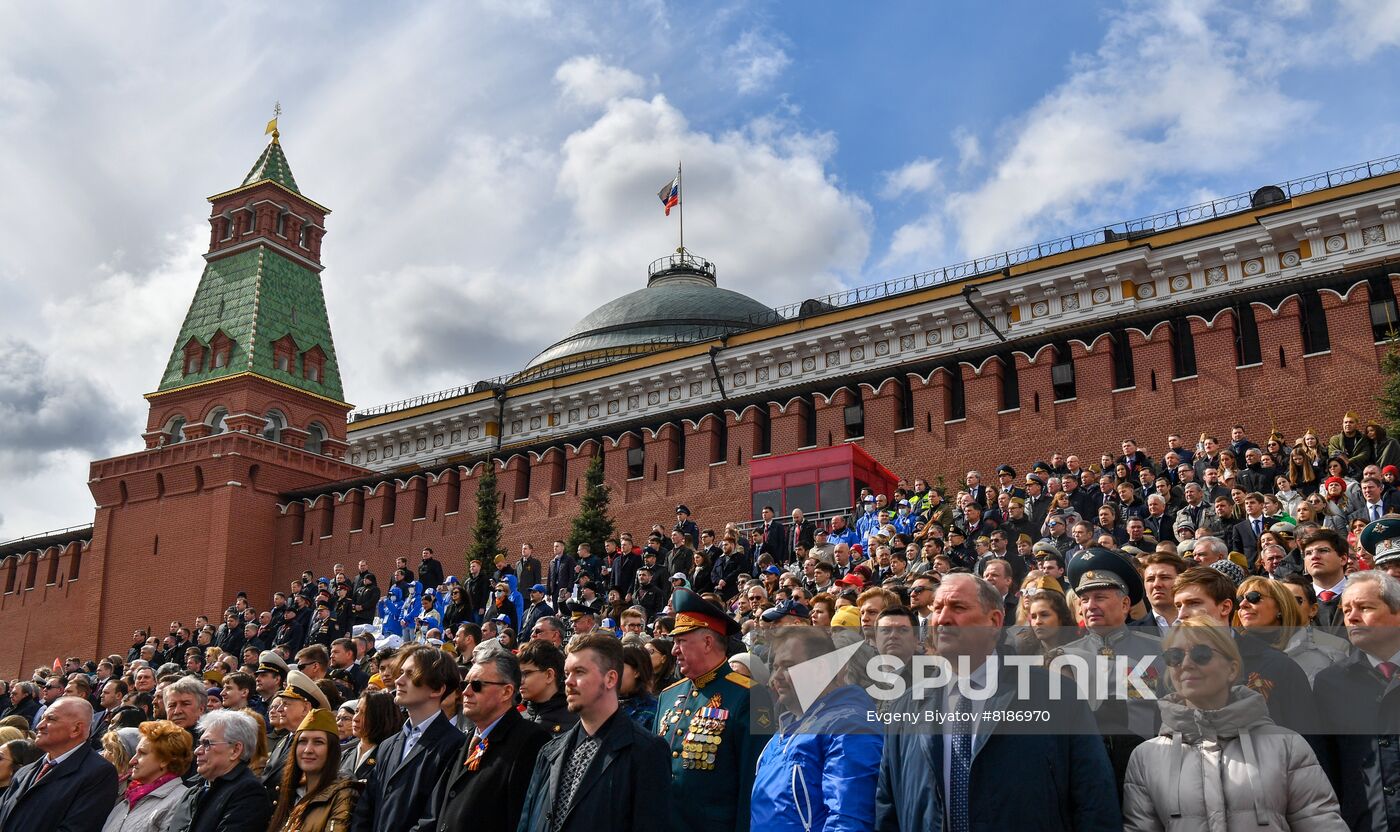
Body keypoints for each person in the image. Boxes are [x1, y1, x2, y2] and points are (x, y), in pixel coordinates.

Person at [875, 573, 1119, 831]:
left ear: (994, 621)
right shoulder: (905, 706)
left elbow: (1095, 799)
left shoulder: (1056, 694)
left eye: (958, 607)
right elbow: (888, 805)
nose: (943, 618)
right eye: (937, 608)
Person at [1123, 617, 1345, 831]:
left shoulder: (1286, 746)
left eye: (1201, 654)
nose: (1186, 664)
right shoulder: (1146, 757)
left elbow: (1321, 823)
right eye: (1175, 656)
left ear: (1232, 669)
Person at [517, 633, 672, 832]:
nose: (568, 682)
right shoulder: (550, 751)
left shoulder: (646, 751)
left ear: (610, 678)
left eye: (579, 672)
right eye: (567, 674)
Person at [654, 588, 772, 832]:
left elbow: (753, 784)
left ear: (708, 641)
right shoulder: (668, 696)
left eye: (681, 641)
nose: (674, 650)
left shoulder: (753, 696)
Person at [753, 626, 882, 832]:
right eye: (775, 667)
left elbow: (848, 820)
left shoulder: (849, 728)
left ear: (821, 668)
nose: (775, 677)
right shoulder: (784, 731)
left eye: (788, 666)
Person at [417, 647, 549, 832]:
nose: (466, 692)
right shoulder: (469, 738)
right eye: (464, 685)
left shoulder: (531, 740)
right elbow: (436, 810)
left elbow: (521, 817)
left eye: (477, 685)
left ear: (506, 692)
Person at [1314, 571, 1400, 830]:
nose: (1352, 616)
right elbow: (1329, 766)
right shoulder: (1329, 682)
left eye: (1365, 607)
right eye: (1347, 609)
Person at [349, 645, 464, 832]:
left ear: (437, 689)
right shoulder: (388, 745)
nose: (399, 681)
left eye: (410, 675)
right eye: (401, 673)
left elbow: (434, 817)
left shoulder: (455, 745)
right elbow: (366, 807)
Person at [0, 695, 117, 832]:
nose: (39, 725)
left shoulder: (99, 774)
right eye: (42, 718)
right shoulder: (26, 771)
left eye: (51, 719)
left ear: (76, 729)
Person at [164, 710, 272, 832]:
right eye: (199, 744)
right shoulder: (194, 790)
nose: (197, 751)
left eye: (207, 744)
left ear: (235, 750)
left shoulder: (249, 792)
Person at [267, 709, 358, 832]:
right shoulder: (290, 790)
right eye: (302, 741)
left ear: (332, 751)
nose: (308, 750)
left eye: (318, 742)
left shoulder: (343, 794)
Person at [101, 720, 191, 832]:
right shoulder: (128, 798)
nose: (132, 761)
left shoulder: (180, 801)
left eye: (142, 753)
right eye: (135, 753)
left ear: (165, 759)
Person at [517, 640, 577, 736]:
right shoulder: (516, 716)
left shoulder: (576, 720)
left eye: (526, 673)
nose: (520, 681)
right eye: (518, 675)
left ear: (549, 675)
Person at [339, 689, 398, 783]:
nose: (355, 718)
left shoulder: (391, 757)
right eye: (356, 711)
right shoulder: (345, 755)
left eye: (365, 713)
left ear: (381, 717)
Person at [618, 644, 658, 728]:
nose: (613, 674)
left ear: (637, 672)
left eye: (619, 668)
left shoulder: (653, 711)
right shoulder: (606, 705)